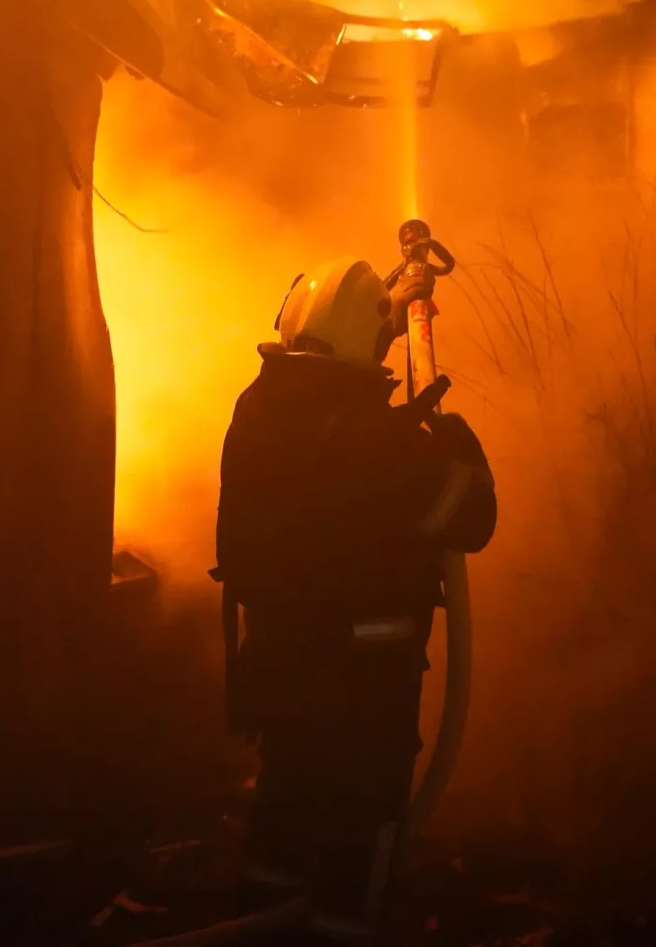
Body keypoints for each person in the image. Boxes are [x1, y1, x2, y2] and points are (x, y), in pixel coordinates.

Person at [213, 256, 498, 941]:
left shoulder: (258, 409)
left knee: (286, 801)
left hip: (279, 668)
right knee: (362, 832)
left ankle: (259, 923)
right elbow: (472, 520)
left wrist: (388, 314)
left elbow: (332, 388)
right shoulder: (389, 446)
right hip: (363, 688)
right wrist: (456, 441)